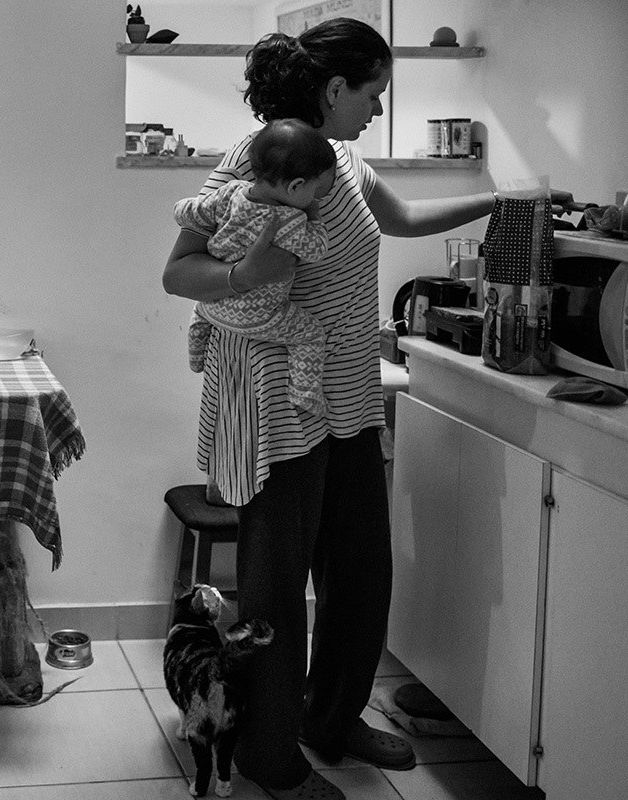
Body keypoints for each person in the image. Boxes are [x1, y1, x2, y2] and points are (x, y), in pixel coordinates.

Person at [161, 18, 575, 800]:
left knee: (360, 575)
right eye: (374, 93)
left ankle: (331, 717)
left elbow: (403, 220)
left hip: (349, 395)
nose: (379, 110)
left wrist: (506, 201)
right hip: (283, 408)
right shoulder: (260, 160)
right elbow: (179, 274)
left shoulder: (342, 161)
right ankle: (271, 757)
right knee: (278, 592)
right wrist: (247, 275)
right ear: (334, 89)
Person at [175, 118, 337, 417]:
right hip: (261, 316)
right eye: (315, 191)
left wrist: (180, 208)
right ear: (296, 186)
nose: (316, 199)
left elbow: (195, 211)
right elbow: (316, 250)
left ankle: (196, 355)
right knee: (310, 333)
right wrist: (314, 218)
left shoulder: (231, 192)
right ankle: (305, 394)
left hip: (214, 306)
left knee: (200, 309)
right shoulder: (289, 220)